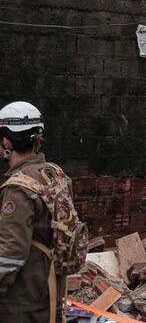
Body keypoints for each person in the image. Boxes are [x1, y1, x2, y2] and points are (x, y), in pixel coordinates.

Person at [0, 101, 82, 323]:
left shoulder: (18, 188)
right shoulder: (53, 173)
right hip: (50, 291)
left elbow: (10, 253)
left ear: (7, 141)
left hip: (23, 302)